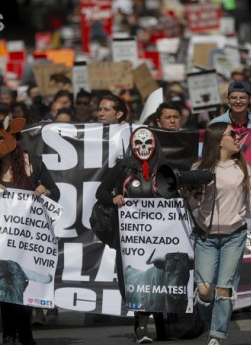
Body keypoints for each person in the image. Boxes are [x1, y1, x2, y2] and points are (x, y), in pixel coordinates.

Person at [0, 117, 59, 345]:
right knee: (4, 287)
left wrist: (44, 190)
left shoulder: (34, 163)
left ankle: (25, 331)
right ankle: (8, 333)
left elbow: (56, 194)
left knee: (22, 285)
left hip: (28, 236)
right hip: (1, 239)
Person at [186, 122, 251, 345]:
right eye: (232, 134)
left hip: (234, 237)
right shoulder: (199, 168)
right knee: (205, 292)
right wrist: (190, 193)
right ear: (218, 141)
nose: (237, 137)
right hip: (206, 238)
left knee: (225, 289)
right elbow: (193, 205)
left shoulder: (243, 168)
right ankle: (208, 313)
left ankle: (217, 336)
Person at [95, 127, 168, 343]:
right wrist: (114, 198)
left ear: (154, 146)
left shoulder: (164, 169)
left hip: (159, 237)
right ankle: (142, 326)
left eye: (147, 144)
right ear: (132, 147)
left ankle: (154, 327)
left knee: (157, 280)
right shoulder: (122, 167)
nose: (143, 148)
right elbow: (101, 192)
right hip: (129, 239)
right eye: (139, 144)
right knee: (134, 281)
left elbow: (175, 195)